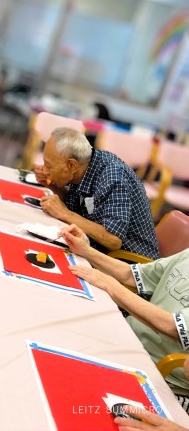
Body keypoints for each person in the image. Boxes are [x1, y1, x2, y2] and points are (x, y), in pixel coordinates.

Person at [59, 223, 189, 407]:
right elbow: (132, 275)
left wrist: (111, 286)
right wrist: (86, 251)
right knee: (63, 332)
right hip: (128, 334)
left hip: (159, 370)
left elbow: (170, 325)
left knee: (72, 389)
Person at [34, 127, 158, 259]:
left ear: (72, 165)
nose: (45, 170)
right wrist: (52, 184)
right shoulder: (86, 165)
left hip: (128, 260)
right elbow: (80, 206)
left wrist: (64, 213)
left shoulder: (113, 176)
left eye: (49, 166)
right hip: (95, 246)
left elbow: (113, 239)